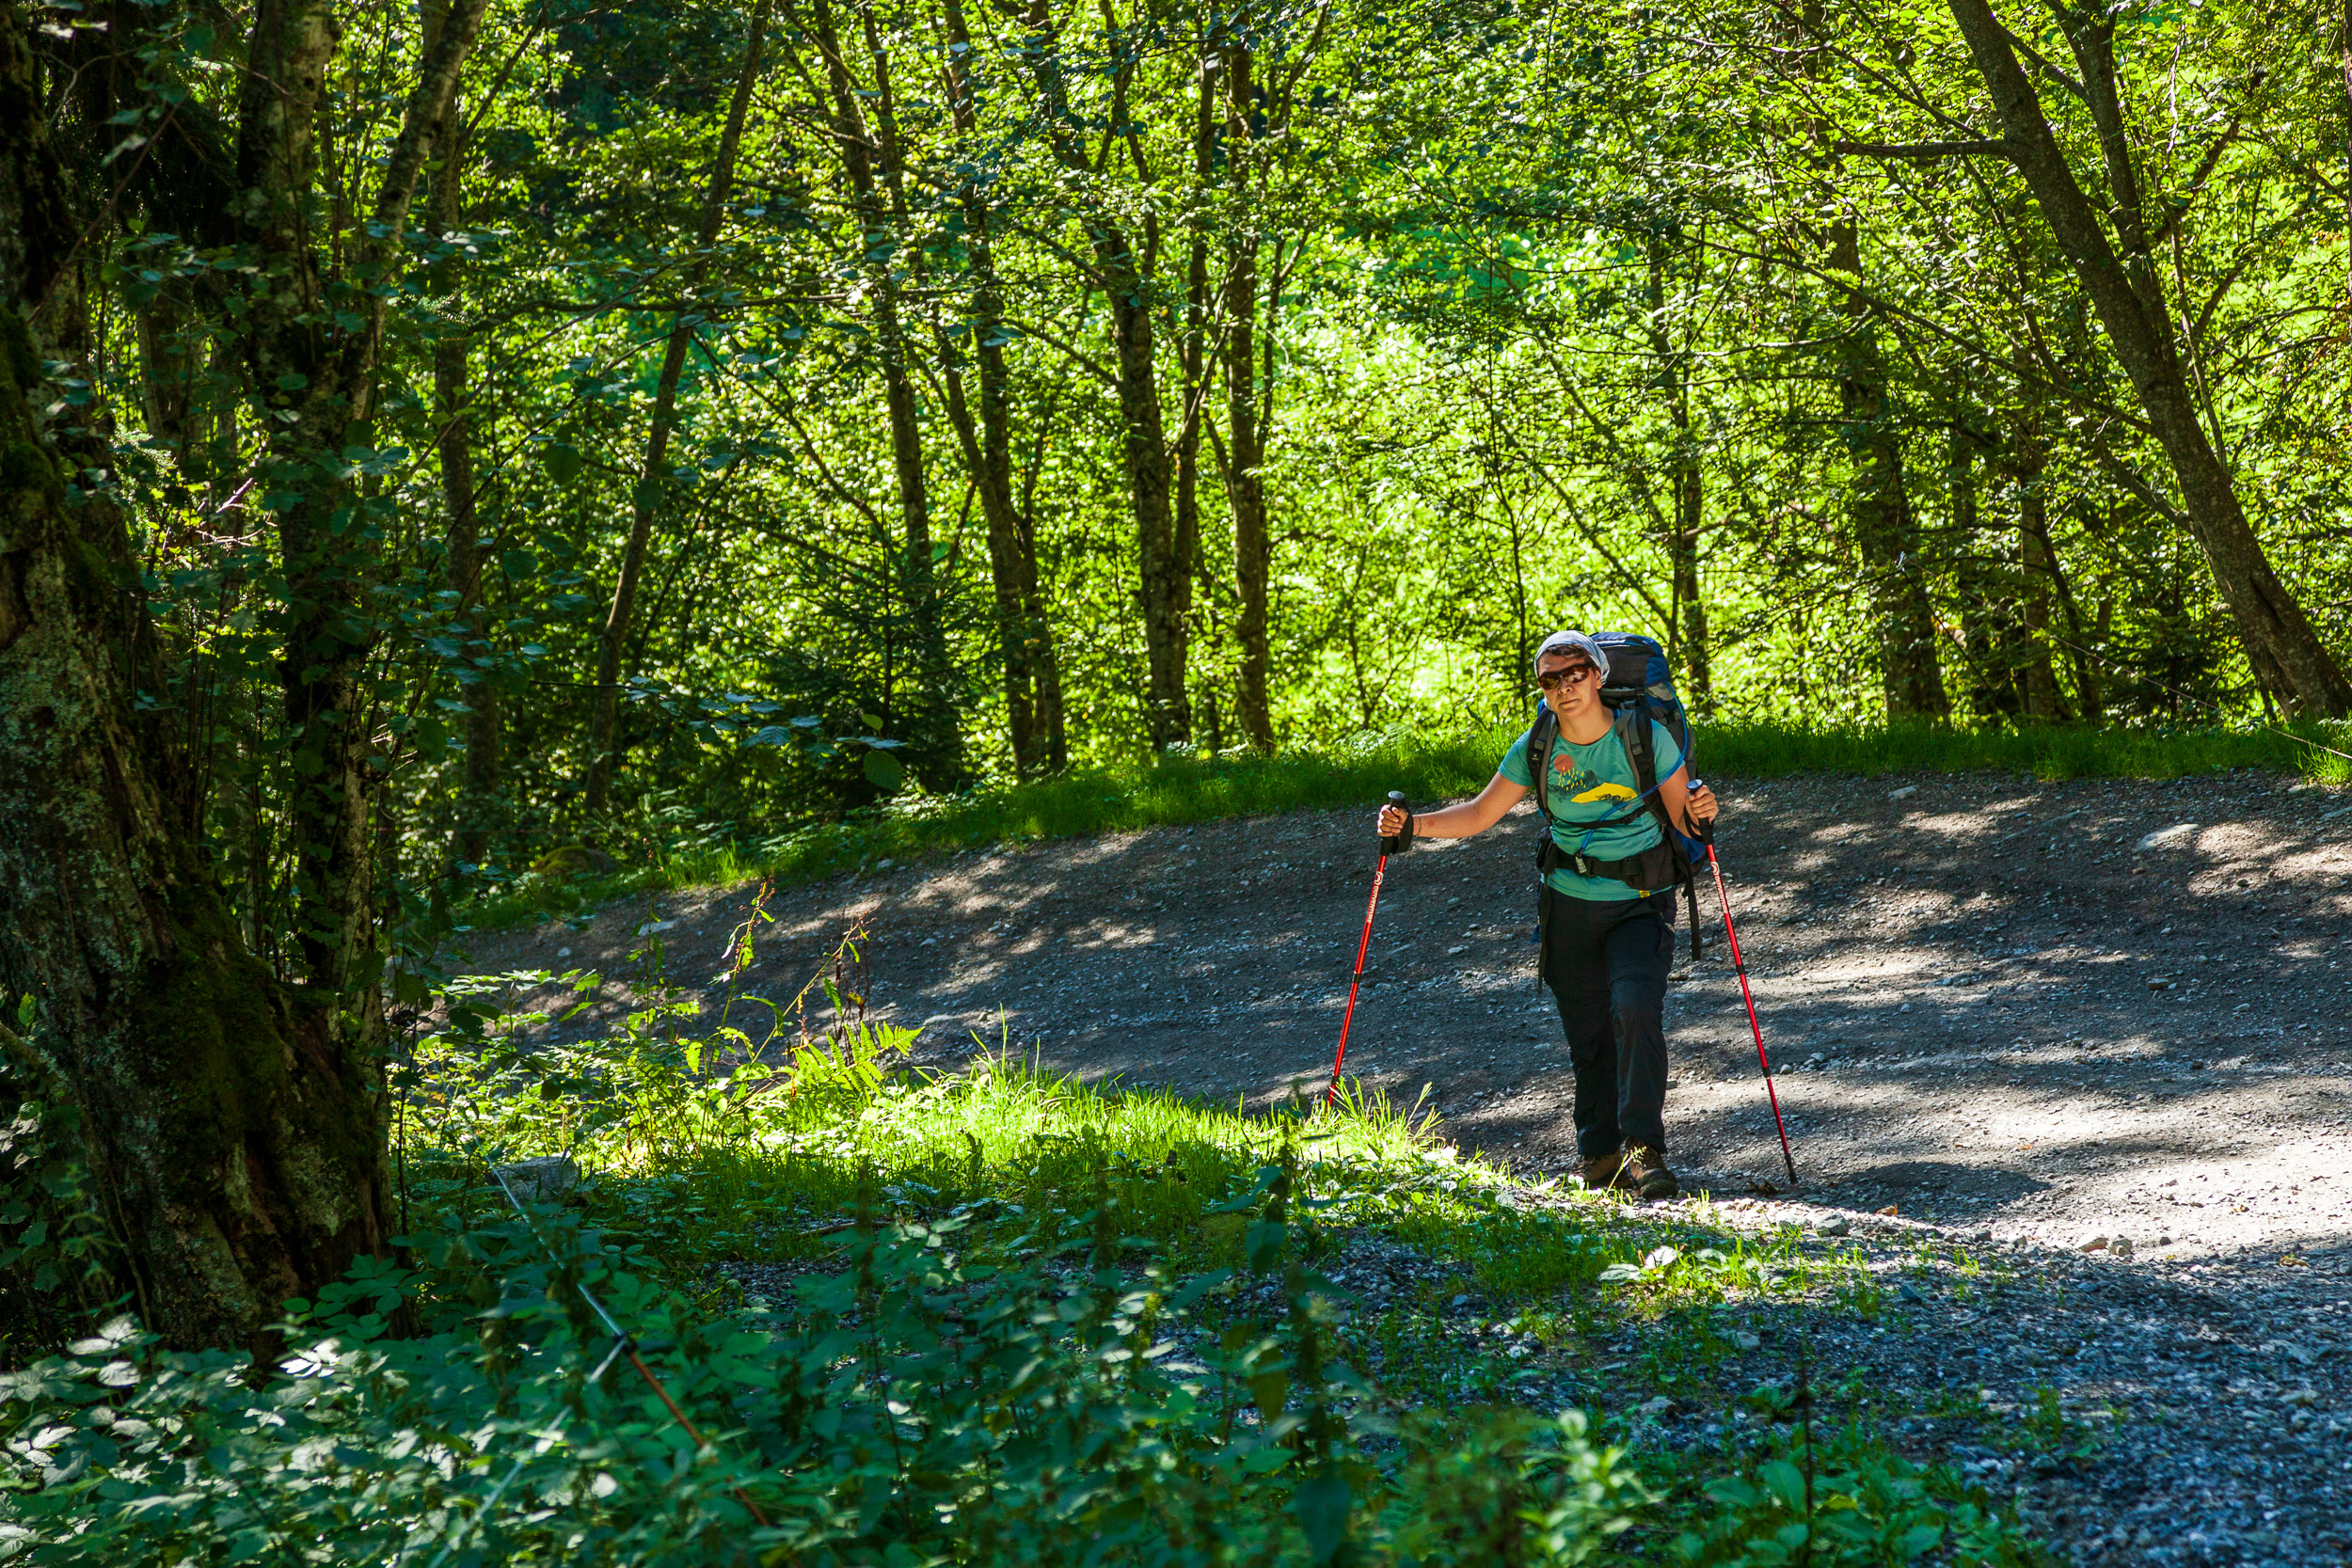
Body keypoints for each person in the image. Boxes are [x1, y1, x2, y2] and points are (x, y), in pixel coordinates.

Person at [1376, 629, 1717, 1198]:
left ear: (1598, 675)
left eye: (1575, 673)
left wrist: (1703, 811)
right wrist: (1412, 827)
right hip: (1567, 908)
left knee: (1635, 1010)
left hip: (1639, 903)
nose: (1564, 687)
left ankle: (1644, 1152)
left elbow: (1686, 820)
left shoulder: (1644, 735)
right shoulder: (1537, 745)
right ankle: (1600, 1157)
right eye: (1550, 679)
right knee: (1588, 1034)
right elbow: (1480, 813)